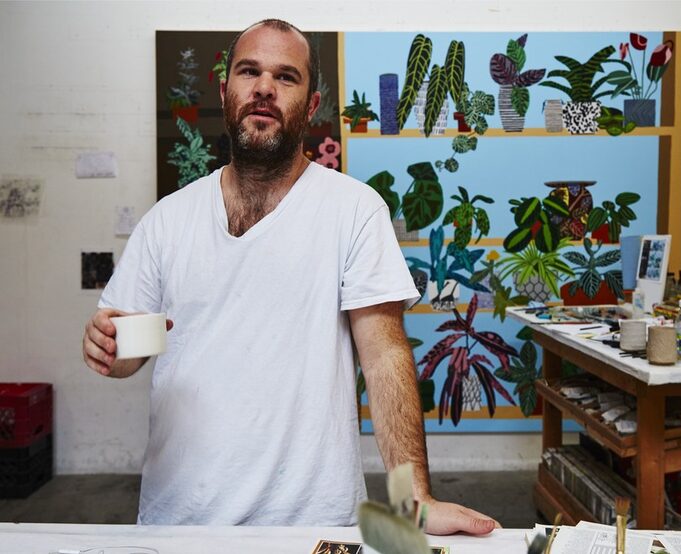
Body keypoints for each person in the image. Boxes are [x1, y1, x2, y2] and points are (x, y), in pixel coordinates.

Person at [81, 19, 499, 535]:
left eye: (285, 77)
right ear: (225, 89)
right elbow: (132, 348)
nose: (263, 88)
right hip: (179, 524)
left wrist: (412, 500)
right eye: (249, 71)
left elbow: (385, 355)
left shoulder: (354, 211)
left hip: (312, 524)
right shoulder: (168, 220)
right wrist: (109, 346)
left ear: (313, 103)